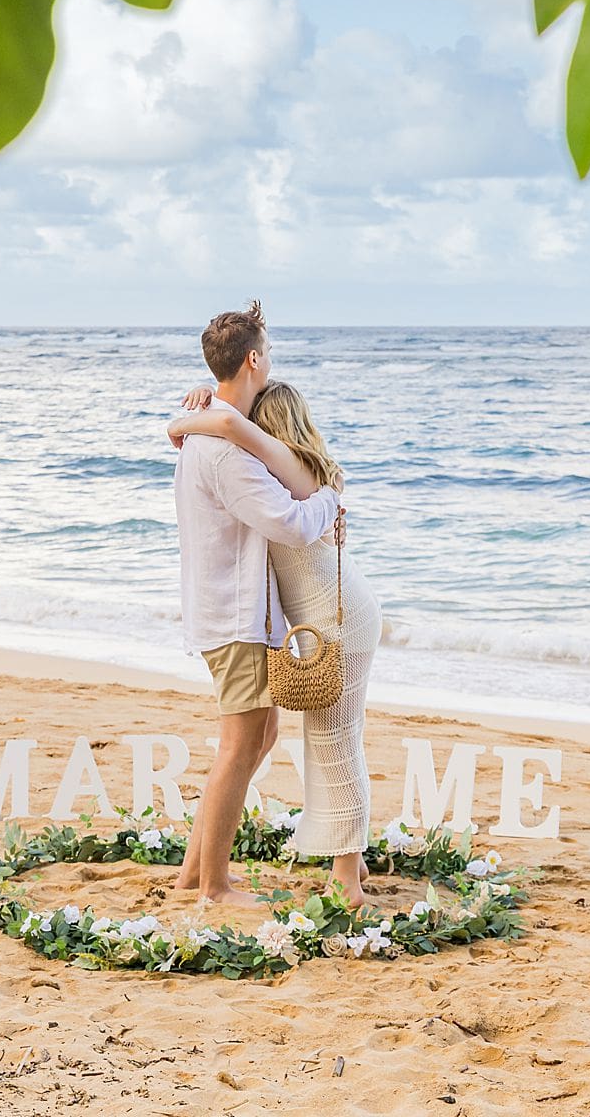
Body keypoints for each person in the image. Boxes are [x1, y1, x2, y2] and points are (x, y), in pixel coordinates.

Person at [169, 354, 383, 910]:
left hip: (338, 619)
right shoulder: (275, 473)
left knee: (334, 740)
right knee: (303, 739)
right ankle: (213, 875)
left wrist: (193, 416)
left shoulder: (291, 471)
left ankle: (347, 878)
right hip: (315, 619)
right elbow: (230, 426)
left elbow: (234, 428)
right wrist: (195, 408)